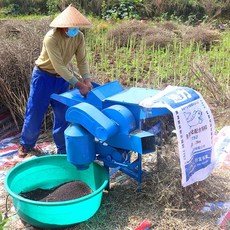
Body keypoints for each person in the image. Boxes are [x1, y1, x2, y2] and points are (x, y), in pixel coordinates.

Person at [18, 4, 93, 157]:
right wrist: (79, 85)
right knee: (35, 112)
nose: (75, 29)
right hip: (43, 77)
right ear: (63, 26)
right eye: (72, 27)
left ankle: (62, 149)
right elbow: (58, 66)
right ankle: (26, 145)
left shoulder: (79, 37)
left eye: (76, 26)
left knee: (62, 115)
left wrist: (87, 80)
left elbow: (82, 61)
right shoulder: (51, 38)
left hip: (62, 80)